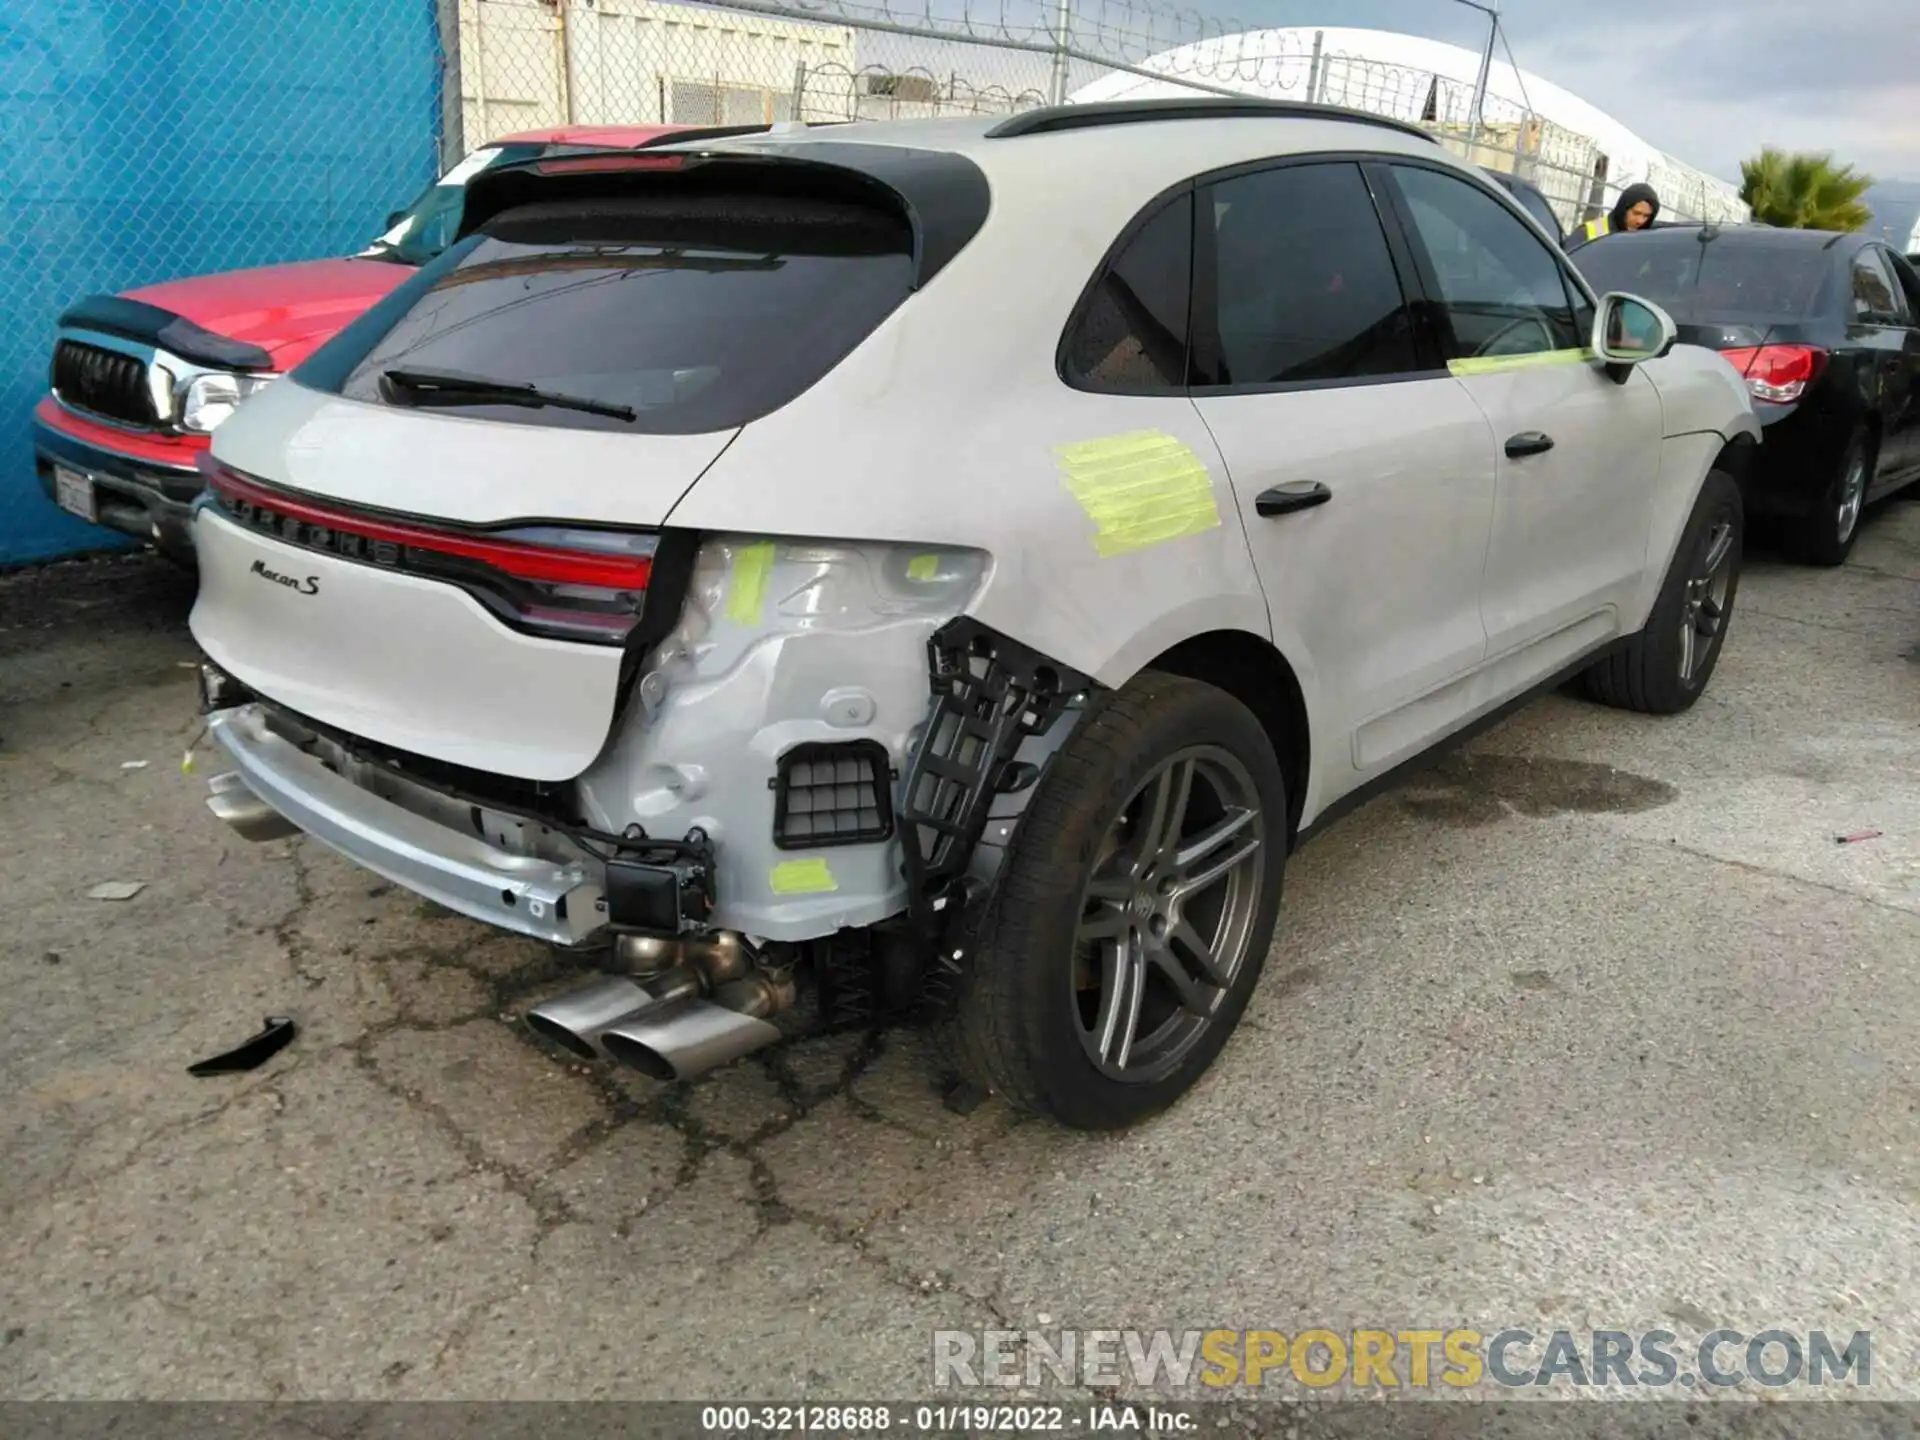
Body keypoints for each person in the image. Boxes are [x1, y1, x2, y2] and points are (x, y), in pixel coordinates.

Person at [1568, 183, 1661, 248]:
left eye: (1646, 216)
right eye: (1636, 213)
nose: (1640, 221)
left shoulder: (1643, 241)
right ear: (1623, 209)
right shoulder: (1593, 231)